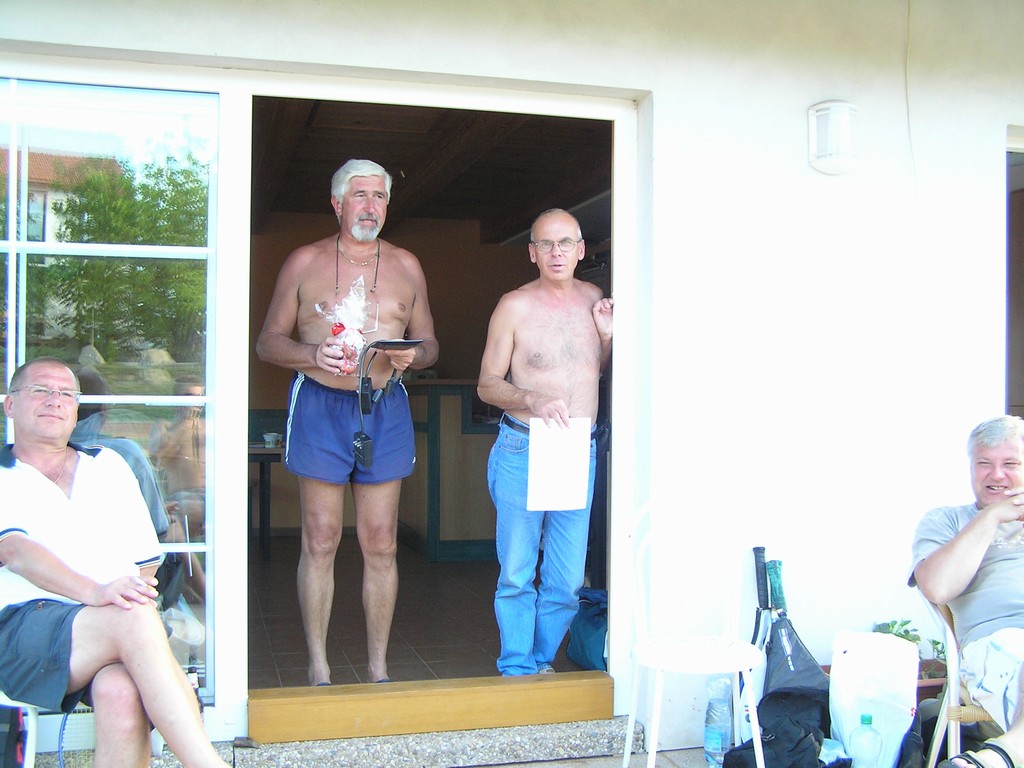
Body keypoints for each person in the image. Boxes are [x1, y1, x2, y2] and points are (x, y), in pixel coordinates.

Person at [256, 158, 439, 686]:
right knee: (320, 538)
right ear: (337, 203)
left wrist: (414, 356)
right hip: (320, 404)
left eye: (380, 196)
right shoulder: (305, 260)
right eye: (360, 195)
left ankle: (378, 669)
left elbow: (431, 345)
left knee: (381, 542)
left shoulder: (406, 265)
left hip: (384, 403)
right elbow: (267, 341)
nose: (370, 206)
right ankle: (319, 668)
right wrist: (311, 354)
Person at [0, 357, 230, 768]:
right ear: (10, 405)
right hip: (20, 630)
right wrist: (97, 593)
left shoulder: (108, 466)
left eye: (66, 393)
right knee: (135, 615)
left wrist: (115, 608)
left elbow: (145, 564)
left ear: (77, 410)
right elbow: (15, 551)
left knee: (121, 691)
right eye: (40, 390)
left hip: (109, 626)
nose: (54, 400)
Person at [477, 208, 613, 676]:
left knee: (567, 579)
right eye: (546, 244)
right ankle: (517, 668)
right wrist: (531, 398)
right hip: (525, 445)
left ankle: (539, 662)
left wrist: (607, 338)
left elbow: (592, 371)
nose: (557, 252)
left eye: (566, 243)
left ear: (581, 250)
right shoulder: (514, 306)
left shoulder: (593, 300)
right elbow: (487, 384)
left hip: (576, 447)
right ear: (532, 253)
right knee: (517, 572)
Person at [912, 415, 1024, 768]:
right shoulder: (947, 521)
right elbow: (937, 587)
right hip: (1001, 643)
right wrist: (990, 517)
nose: (997, 475)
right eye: (984, 463)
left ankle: (1000, 756)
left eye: (1010, 464)